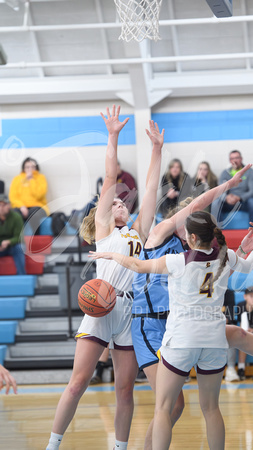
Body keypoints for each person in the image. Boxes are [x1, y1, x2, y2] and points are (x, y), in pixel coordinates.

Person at [90, 211, 253, 449]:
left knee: (164, 408)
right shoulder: (226, 257)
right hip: (213, 340)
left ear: (192, 238)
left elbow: (137, 265)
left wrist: (110, 254)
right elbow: (247, 265)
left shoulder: (179, 260)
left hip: (182, 337)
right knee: (212, 409)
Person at [45, 106, 164, 450]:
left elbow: (152, 188)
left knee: (125, 390)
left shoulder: (139, 233)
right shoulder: (104, 231)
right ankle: (52, 445)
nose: (119, 205)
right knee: (77, 382)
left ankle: (120, 447)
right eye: (112, 204)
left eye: (122, 204)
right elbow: (110, 178)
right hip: (100, 305)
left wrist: (156, 150)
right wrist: (112, 136)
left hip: (129, 314)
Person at [211, 150, 253, 225]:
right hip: (228, 202)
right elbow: (220, 191)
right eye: (232, 158)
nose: (235, 160)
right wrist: (226, 198)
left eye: (237, 158)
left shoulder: (250, 172)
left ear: (241, 159)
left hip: (243, 202)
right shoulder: (225, 173)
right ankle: (216, 231)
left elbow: (252, 191)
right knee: (215, 202)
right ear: (230, 160)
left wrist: (239, 197)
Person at [9, 157, 49, 235]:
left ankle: (35, 240)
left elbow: (39, 195)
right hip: (21, 207)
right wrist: (21, 206)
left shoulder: (41, 178)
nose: (30, 169)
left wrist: (31, 180)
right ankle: (18, 241)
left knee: (33, 214)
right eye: (27, 167)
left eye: (32, 167)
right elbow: (13, 196)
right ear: (24, 168)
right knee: (14, 215)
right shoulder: (17, 179)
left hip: (38, 206)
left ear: (36, 167)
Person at [0, 194, 26, 275]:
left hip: (12, 246)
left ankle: (22, 277)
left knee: (19, 248)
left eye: (4, 205)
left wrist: (8, 242)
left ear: (9, 205)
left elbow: (19, 237)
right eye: (0, 205)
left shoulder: (16, 217)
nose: (1, 207)